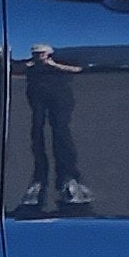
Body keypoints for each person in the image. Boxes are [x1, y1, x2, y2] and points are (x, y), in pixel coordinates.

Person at [20, 44, 88, 212]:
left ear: (49, 53)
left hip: (60, 101)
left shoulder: (62, 59)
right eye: (36, 54)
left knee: (62, 135)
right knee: (37, 135)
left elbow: (78, 69)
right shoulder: (31, 66)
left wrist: (55, 66)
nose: (39, 57)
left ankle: (68, 177)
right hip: (37, 103)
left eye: (41, 53)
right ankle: (39, 179)